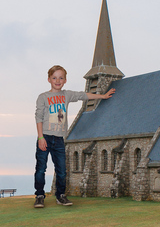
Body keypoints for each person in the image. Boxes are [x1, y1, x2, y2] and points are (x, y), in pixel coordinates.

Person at [34, 65, 115, 208]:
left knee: (62, 170)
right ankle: (39, 195)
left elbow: (84, 95)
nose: (57, 80)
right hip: (45, 137)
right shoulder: (43, 97)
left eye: (61, 78)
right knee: (41, 169)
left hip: (59, 139)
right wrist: (40, 137)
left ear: (65, 80)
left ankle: (61, 196)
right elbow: (38, 117)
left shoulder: (67, 95)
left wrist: (102, 96)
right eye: (54, 78)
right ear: (49, 79)